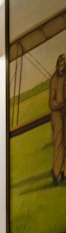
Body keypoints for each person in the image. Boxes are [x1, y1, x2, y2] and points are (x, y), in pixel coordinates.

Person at [52, 54, 66, 186]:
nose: (62, 67)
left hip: (65, 112)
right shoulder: (54, 79)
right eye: (60, 65)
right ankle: (56, 174)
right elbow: (51, 101)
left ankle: (64, 175)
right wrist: (58, 105)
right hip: (57, 114)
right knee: (58, 143)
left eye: (64, 65)